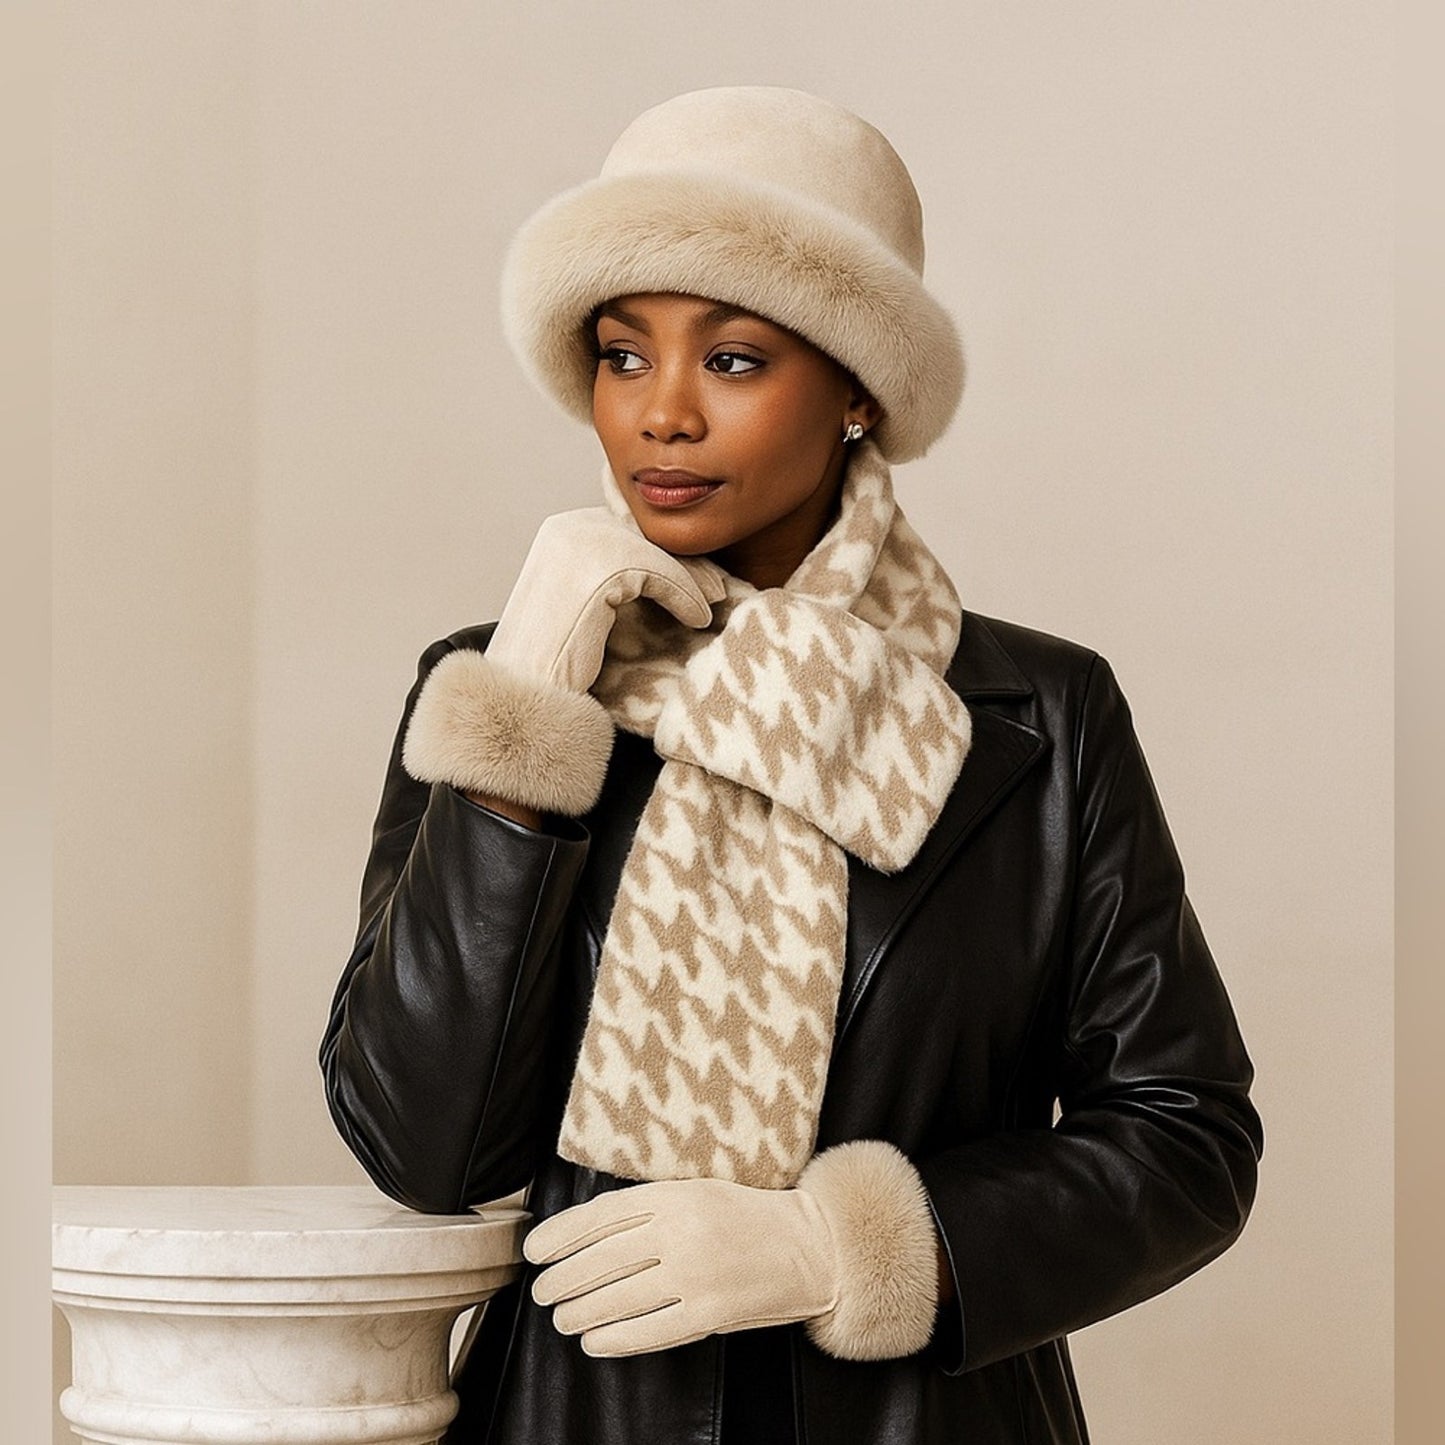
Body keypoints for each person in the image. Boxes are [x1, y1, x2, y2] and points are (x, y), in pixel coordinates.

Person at [319, 86, 1262, 1445]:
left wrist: (846, 1249)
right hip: (574, 1417)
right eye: (623, 355)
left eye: (734, 358)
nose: (662, 415)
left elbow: (1184, 1137)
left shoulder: (1040, 714)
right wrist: (524, 709)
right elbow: (422, 1147)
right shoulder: (504, 684)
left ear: (860, 388)